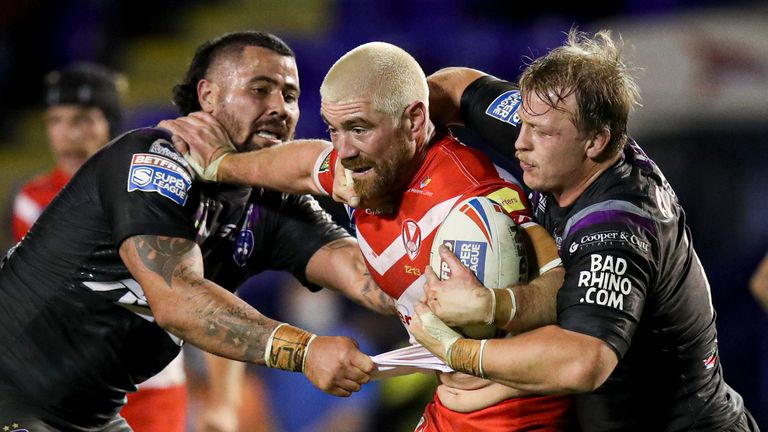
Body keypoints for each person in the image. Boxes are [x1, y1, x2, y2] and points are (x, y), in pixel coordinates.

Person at [166, 41, 575, 431]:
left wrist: (495, 305)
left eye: (358, 128)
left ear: (414, 120)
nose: (342, 149)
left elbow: (559, 290)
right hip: (450, 407)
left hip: (511, 416)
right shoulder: (371, 166)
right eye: (334, 129)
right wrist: (223, 165)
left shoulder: (474, 204)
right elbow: (304, 165)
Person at [0, 31, 390, 432]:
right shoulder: (154, 160)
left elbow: (368, 275)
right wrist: (304, 351)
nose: (279, 107)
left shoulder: (271, 206)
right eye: (261, 89)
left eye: (290, 96)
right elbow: (178, 299)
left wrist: (440, 289)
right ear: (207, 96)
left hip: (88, 418)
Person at [406, 29, 760, 431]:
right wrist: (397, 152)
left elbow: (583, 361)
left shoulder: (617, 227)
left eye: (539, 133)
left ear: (597, 142)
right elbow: (457, 86)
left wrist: (458, 350)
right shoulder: (553, 128)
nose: (519, 143)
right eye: (522, 123)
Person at [9, 62, 190, 432]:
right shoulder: (32, 201)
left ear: (110, 123)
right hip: (70, 385)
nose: (67, 135)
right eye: (55, 121)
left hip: (150, 384)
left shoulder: (156, 189)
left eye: (83, 119)